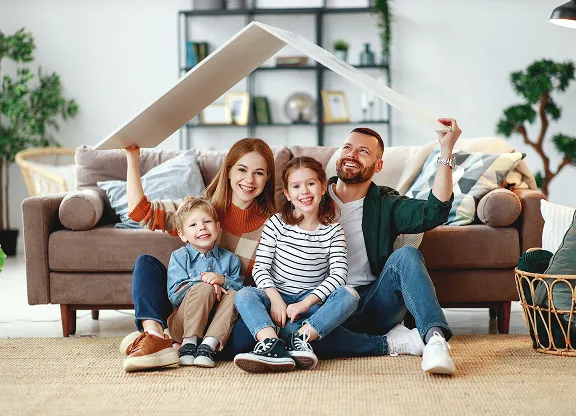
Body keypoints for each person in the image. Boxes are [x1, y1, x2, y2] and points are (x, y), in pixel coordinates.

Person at [229, 120, 462, 376]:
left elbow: (434, 212)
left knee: (407, 255)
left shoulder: (387, 203)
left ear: (378, 165)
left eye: (363, 151)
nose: (352, 154)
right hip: (320, 309)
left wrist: (446, 152)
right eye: (348, 147)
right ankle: (389, 342)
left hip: (370, 304)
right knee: (244, 338)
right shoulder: (310, 195)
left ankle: (435, 341)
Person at [120, 138, 276, 372]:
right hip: (187, 308)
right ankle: (154, 338)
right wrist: (132, 159)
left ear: (268, 179)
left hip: (229, 314)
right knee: (146, 264)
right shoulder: (200, 212)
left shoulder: (273, 226)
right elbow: (140, 211)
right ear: (229, 171)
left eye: (259, 173)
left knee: (249, 338)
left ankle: (189, 345)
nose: (249, 180)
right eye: (242, 170)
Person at [233, 157, 359, 373]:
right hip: (276, 301)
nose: (305, 191)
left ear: (322, 187)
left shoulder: (332, 230)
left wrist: (304, 305)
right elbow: (260, 268)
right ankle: (271, 345)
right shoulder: (276, 222)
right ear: (289, 194)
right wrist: (275, 300)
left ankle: (299, 337)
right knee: (244, 295)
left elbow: (338, 275)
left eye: (310, 184)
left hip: (310, 306)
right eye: (296, 186)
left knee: (350, 295)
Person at [165, 197, 243, 369]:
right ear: (182, 234)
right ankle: (188, 344)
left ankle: (208, 345)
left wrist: (222, 280)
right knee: (204, 288)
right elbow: (174, 295)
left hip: (216, 325)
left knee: (235, 295)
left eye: (207, 221)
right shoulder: (179, 257)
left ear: (217, 227)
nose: (202, 227)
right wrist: (202, 281)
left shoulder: (230, 259)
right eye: (193, 225)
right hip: (182, 325)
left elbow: (239, 288)